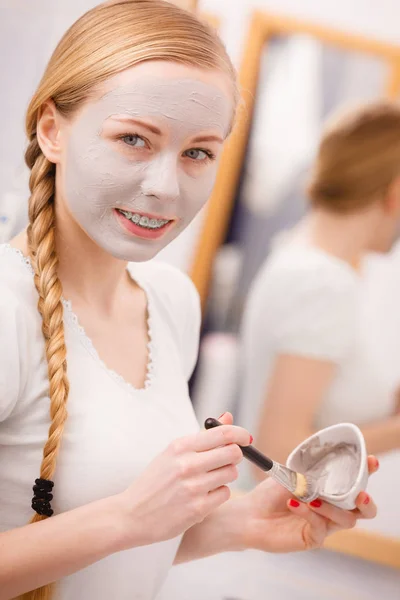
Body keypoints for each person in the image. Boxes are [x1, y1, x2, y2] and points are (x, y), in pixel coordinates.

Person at [0, 2, 378, 599]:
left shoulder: (170, 301)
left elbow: (112, 557)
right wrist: (129, 515)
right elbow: (122, 523)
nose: (164, 187)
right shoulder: (7, 310)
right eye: (133, 139)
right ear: (52, 129)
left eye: (198, 152)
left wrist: (239, 524)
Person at [237, 100, 400, 483]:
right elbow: (277, 455)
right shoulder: (325, 283)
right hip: (287, 533)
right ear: (394, 191)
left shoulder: (300, 255)